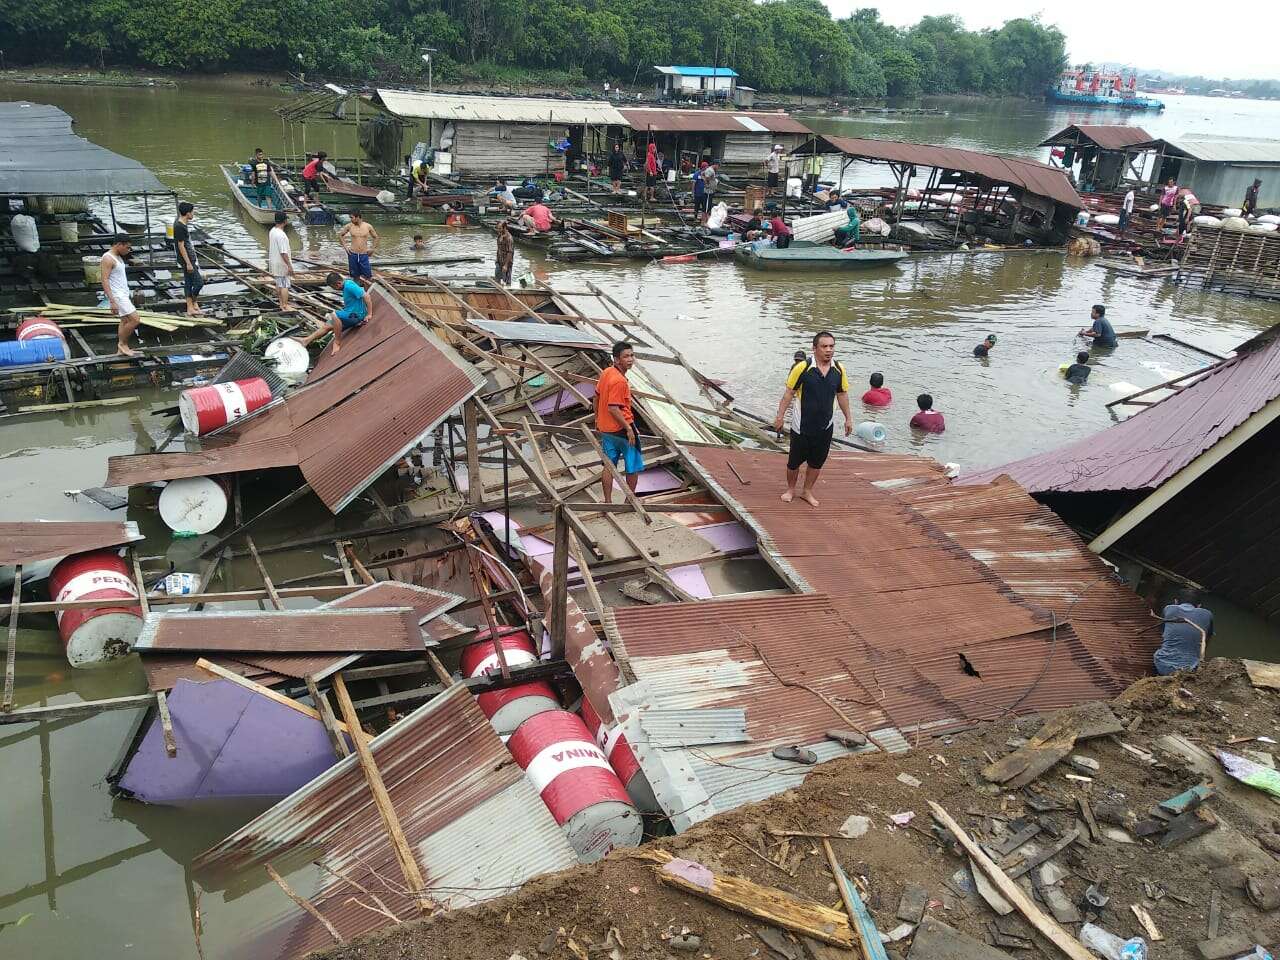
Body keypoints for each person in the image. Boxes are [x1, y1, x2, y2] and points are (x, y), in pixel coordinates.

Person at [772, 331, 852, 507]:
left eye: (831, 346)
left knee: (817, 462)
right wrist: (780, 417)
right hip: (802, 425)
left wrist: (848, 419)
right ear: (814, 348)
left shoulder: (838, 369)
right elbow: (788, 394)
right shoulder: (802, 368)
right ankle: (791, 489)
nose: (828, 350)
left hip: (825, 426)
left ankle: (807, 491)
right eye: (824, 346)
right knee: (794, 462)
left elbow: (842, 394)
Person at [595, 341, 644, 503]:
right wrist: (629, 429)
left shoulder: (606, 372)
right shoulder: (620, 381)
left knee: (609, 465)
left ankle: (608, 501)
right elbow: (613, 408)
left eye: (631, 355)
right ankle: (629, 501)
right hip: (622, 430)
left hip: (606, 429)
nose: (630, 359)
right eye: (626, 357)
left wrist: (597, 418)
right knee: (633, 465)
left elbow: (597, 396)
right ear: (616, 360)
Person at [294, 272, 373, 356]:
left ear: (338, 283)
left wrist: (369, 314)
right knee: (327, 325)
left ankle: (337, 342)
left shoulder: (349, 286)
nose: (335, 289)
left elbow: (366, 296)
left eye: (334, 287)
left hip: (357, 315)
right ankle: (306, 340)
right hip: (350, 313)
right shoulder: (346, 283)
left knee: (334, 314)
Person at [1152, 588, 1214, 675]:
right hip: (1190, 669)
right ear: (1199, 605)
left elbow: (1161, 631)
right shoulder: (1207, 614)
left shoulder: (1169, 609)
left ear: (1176, 601)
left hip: (1162, 663)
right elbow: (1207, 637)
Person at [100, 235, 141, 356]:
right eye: (127, 248)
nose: (128, 251)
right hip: (117, 296)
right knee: (135, 319)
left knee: (124, 321)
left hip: (123, 293)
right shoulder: (108, 258)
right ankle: (122, 344)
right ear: (119, 244)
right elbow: (104, 280)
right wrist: (112, 301)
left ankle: (122, 348)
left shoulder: (118, 257)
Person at [172, 201, 202, 316]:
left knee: (189, 283)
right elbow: (181, 246)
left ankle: (190, 308)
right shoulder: (180, 226)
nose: (193, 214)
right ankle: (193, 302)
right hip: (187, 259)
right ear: (188, 213)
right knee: (199, 283)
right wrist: (188, 263)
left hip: (189, 258)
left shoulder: (182, 224)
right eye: (192, 212)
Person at [338, 210, 378, 283]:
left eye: (352, 217)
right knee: (354, 276)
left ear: (358, 217)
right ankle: (357, 291)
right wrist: (346, 247)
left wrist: (372, 249)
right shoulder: (349, 226)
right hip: (353, 254)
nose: (351, 219)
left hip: (364, 254)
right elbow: (340, 235)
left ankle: (367, 292)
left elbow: (375, 237)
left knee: (368, 275)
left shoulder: (368, 226)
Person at [268, 210, 294, 311]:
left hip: (274, 262)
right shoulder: (281, 235)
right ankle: (285, 305)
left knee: (279, 283)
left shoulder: (272, 231)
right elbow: (283, 253)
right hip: (282, 263)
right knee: (285, 285)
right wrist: (289, 266)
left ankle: (280, 303)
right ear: (285, 221)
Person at [494, 220, 514, 285]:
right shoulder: (500, 235)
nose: (498, 230)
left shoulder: (509, 238)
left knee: (507, 281)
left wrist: (505, 265)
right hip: (499, 260)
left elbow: (510, 252)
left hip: (506, 262)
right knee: (497, 278)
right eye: (497, 228)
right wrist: (497, 259)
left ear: (504, 228)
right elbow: (499, 248)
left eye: (500, 228)